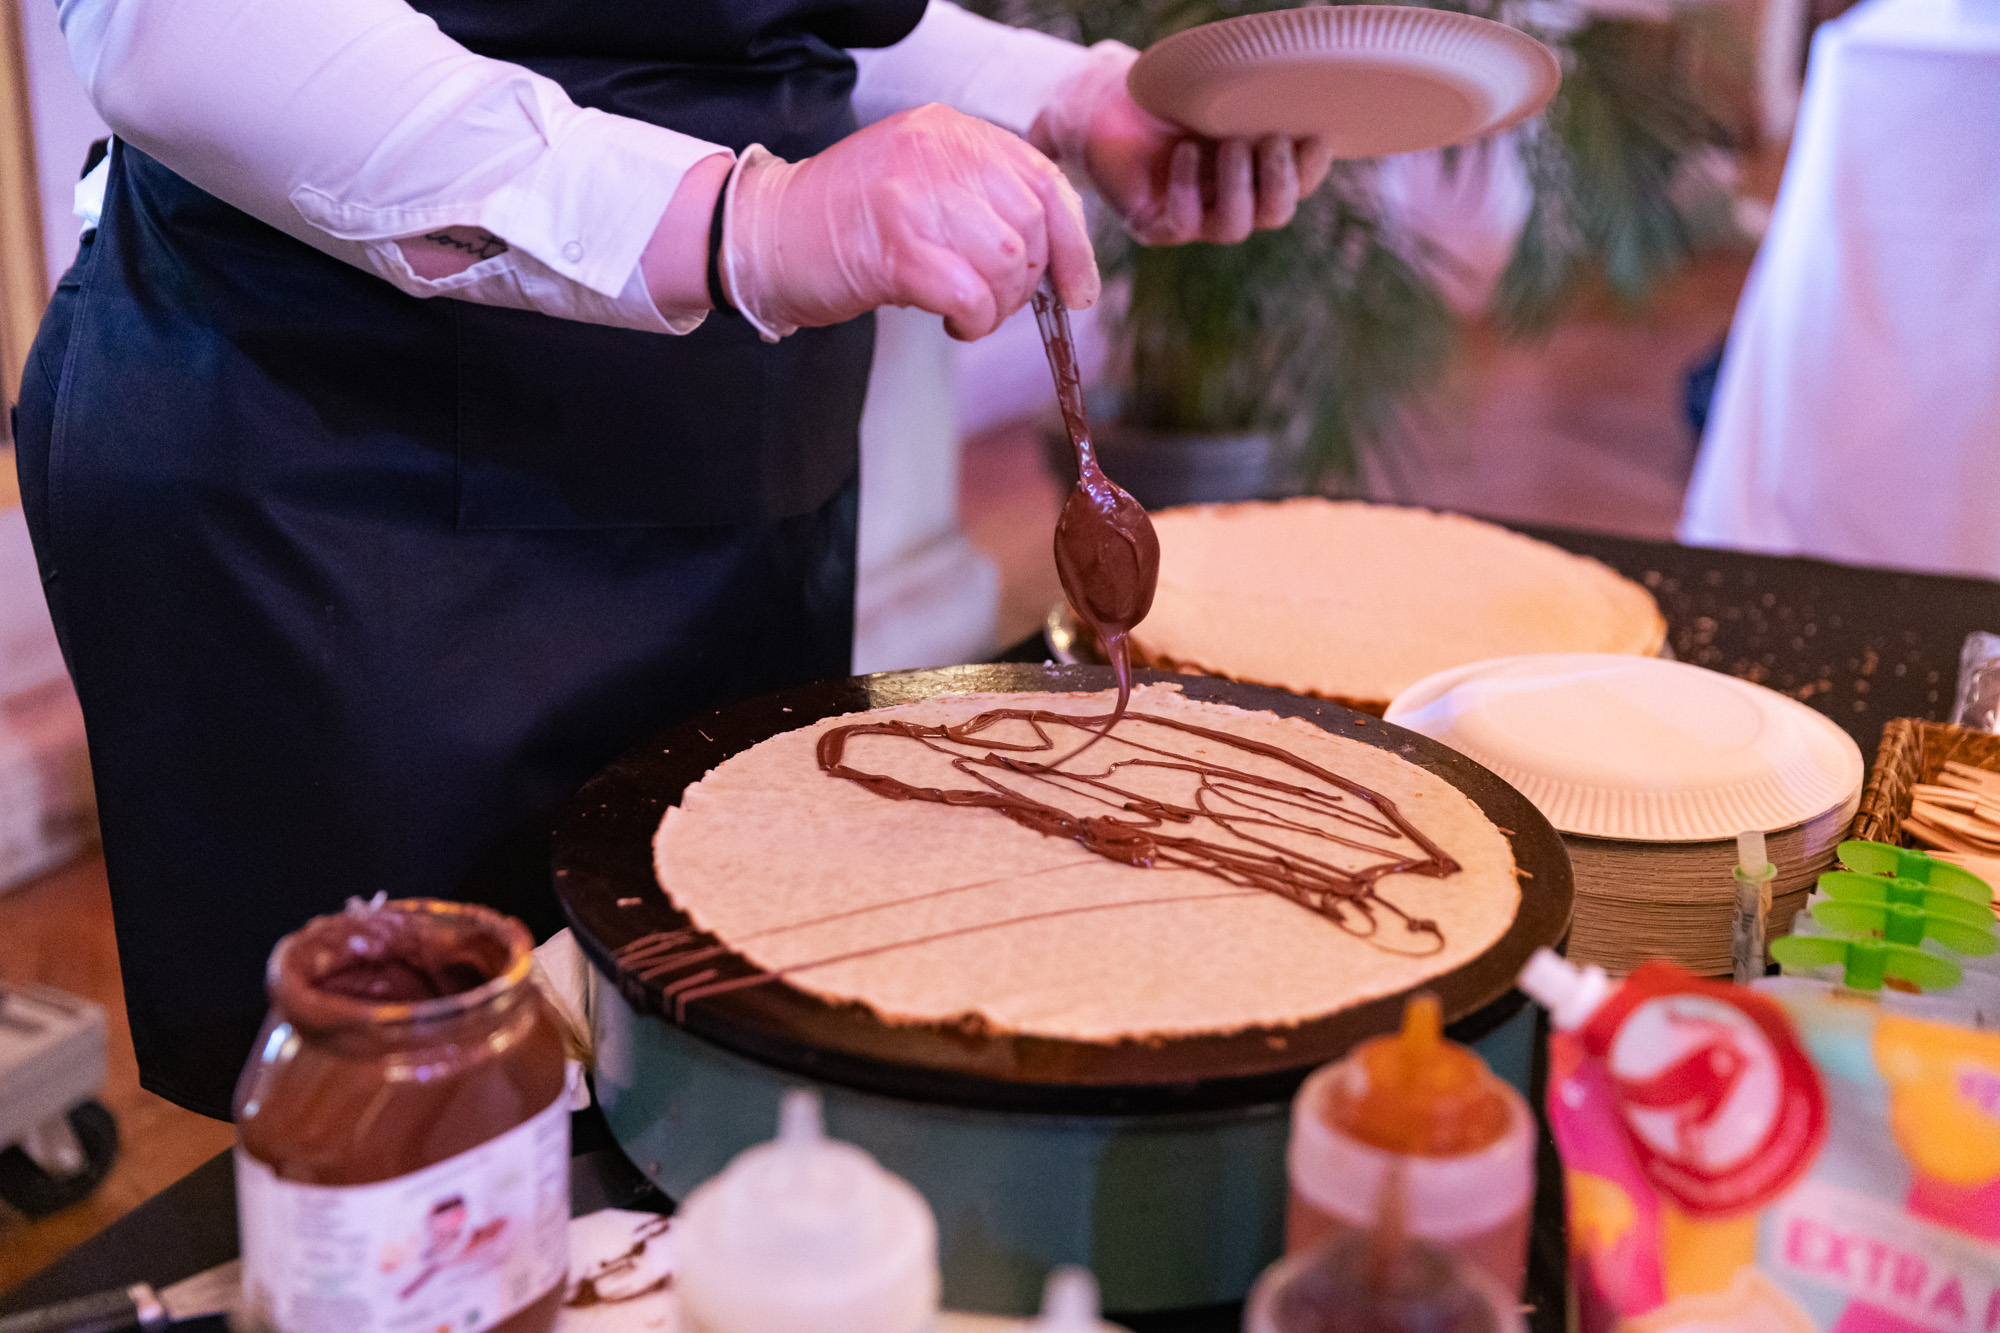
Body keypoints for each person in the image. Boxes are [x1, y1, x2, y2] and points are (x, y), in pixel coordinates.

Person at [14, 0, 1332, 1118]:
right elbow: (184, 31)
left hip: (734, 481)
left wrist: (1058, 98)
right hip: (357, 502)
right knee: (418, 1138)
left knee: (697, 1067)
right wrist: (744, 223)